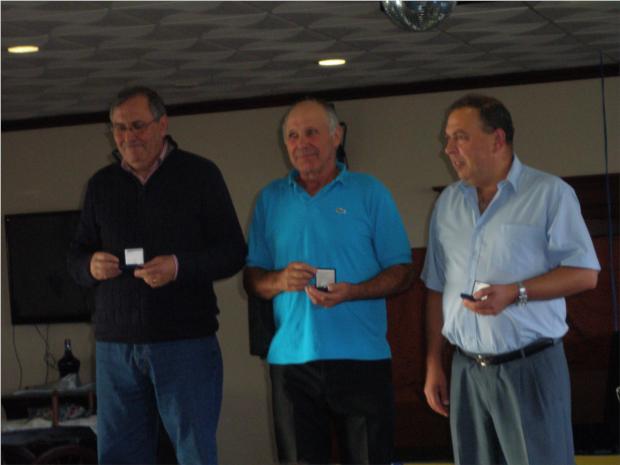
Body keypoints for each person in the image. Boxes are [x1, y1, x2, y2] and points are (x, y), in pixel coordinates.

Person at [68, 86, 246, 465]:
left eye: (137, 125)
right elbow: (76, 258)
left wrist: (179, 267)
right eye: (119, 128)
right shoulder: (101, 185)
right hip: (116, 347)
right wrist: (90, 266)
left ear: (162, 124)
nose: (128, 136)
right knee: (118, 456)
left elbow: (233, 252)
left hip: (184, 342)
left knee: (193, 452)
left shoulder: (200, 175)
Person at [421, 94, 600, 465]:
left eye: (460, 137)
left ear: (497, 139)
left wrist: (516, 292)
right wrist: (434, 363)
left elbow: (585, 274)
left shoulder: (548, 194)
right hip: (466, 369)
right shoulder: (447, 204)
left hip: (530, 366)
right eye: (448, 139)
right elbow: (437, 287)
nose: (448, 149)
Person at [244, 98, 414, 464]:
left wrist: (354, 292)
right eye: (292, 135)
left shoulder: (370, 192)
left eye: (311, 132)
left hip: (361, 358)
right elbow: (253, 279)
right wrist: (279, 281)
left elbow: (402, 271)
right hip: (291, 364)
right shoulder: (270, 200)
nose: (301, 143)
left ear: (336, 137)